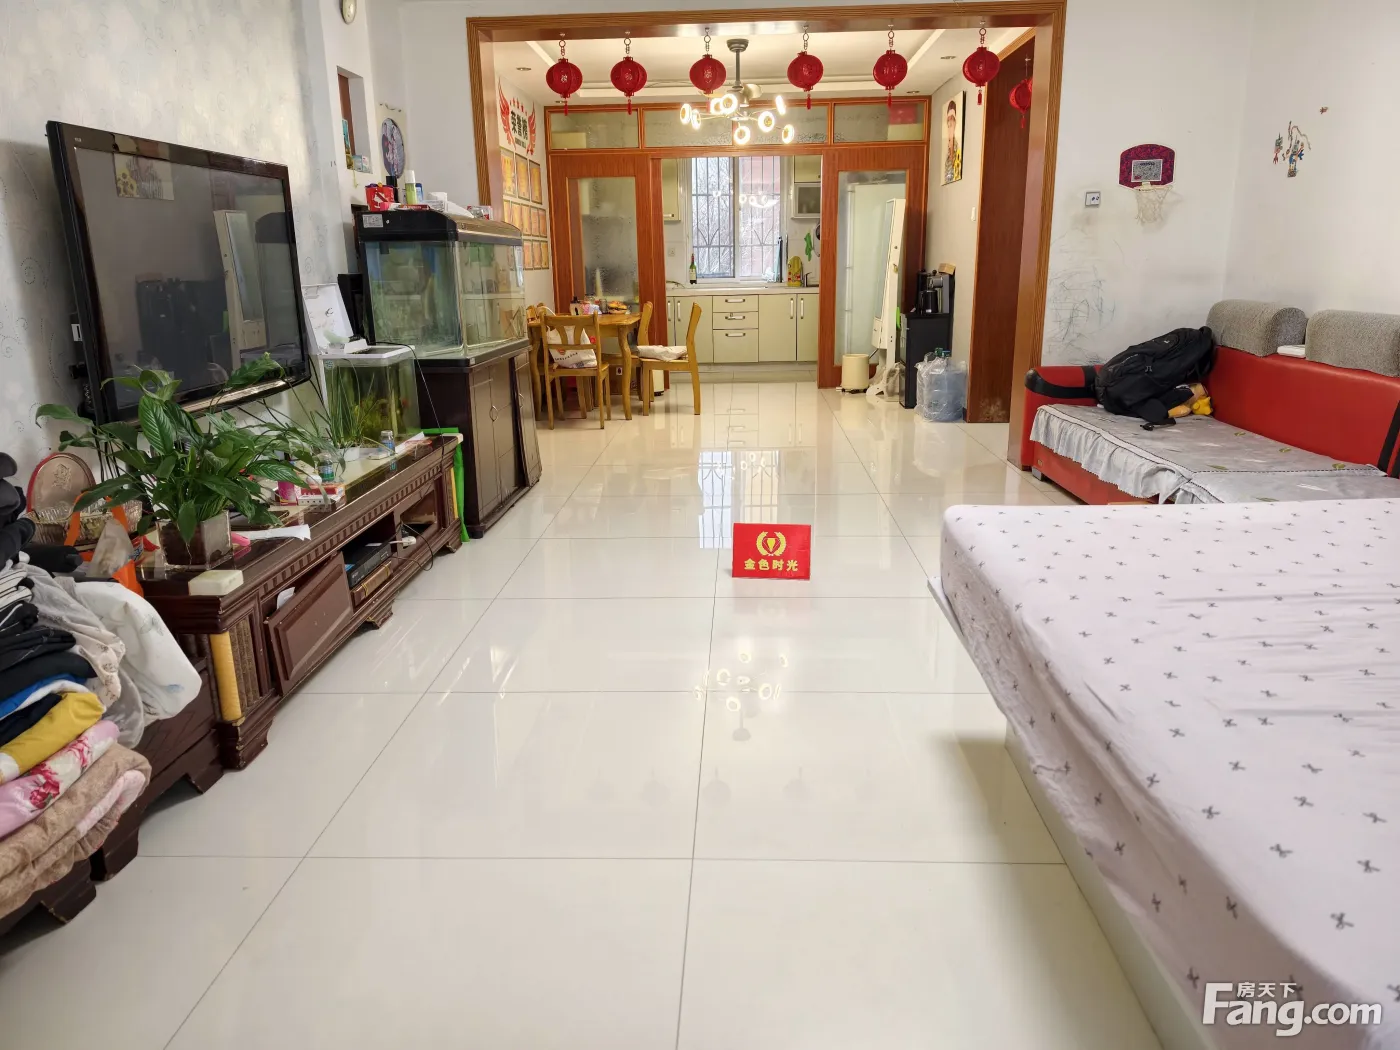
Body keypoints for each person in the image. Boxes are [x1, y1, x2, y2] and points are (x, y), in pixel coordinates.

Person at [944, 99, 963, 184]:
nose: (950, 123)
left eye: (952, 119)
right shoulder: (947, 155)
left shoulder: (958, 151)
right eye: (948, 119)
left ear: (955, 122)